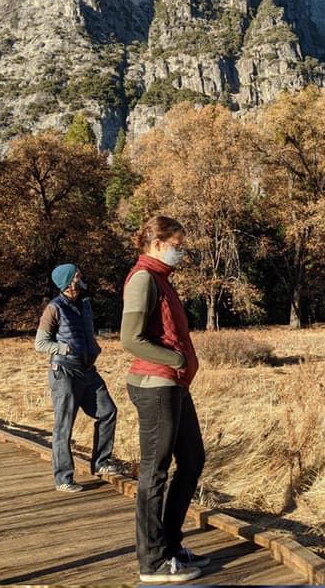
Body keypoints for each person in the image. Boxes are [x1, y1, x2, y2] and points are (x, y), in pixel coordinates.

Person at [121, 216, 208, 583]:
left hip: (174, 386)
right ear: (157, 244)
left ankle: (171, 544)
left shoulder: (160, 279)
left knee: (192, 460)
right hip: (155, 385)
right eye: (177, 244)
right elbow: (131, 339)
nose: (181, 251)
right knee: (155, 472)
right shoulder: (143, 279)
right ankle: (152, 562)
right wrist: (177, 360)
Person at [35, 263, 125, 493]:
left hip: (88, 371)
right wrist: (64, 349)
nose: (82, 279)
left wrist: (94, 346)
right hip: (65, 373)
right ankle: (63, 478)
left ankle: (101, 463)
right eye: (77, 276)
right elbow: (40, 344)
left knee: (108, 412)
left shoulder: (85, 306)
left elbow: (86, 333)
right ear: (67, 283)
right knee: (64, 426)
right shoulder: (54, 309)